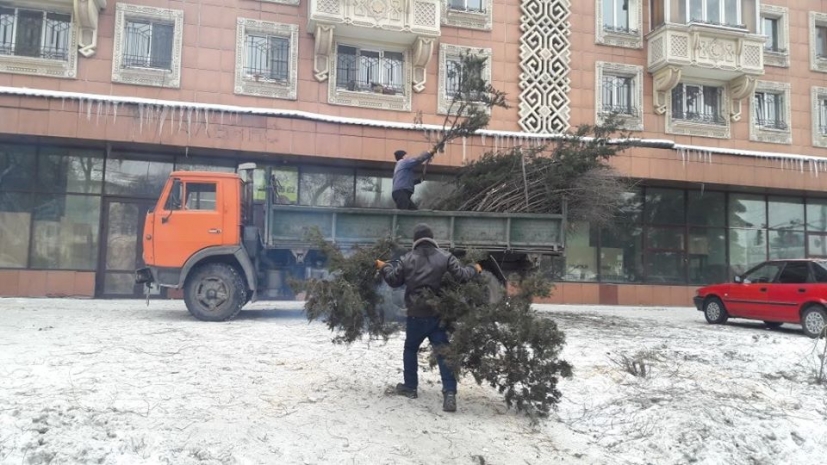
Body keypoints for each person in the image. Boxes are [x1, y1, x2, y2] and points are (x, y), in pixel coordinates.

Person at [375, 223, 482, 412]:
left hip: (416, 315)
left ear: (416, 240)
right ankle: (449, 393)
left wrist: (384, 267)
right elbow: (463, 276)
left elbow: (393, 280)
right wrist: (475, 269)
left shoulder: (407, 258)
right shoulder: (445, 257)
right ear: (432, 238)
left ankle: (410, 387)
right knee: (443, 353)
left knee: (410, 349)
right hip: (437, 316)